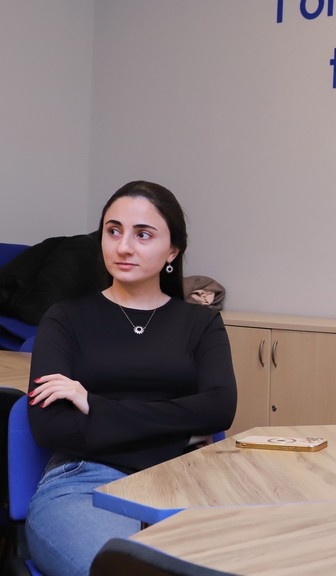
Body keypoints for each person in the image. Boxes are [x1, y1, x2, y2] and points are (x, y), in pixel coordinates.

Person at [26, 181, 237, 576]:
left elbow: (219, 407)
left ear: (172, 250)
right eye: (113, 231)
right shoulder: (65, 318)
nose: (123, 246)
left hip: (184, 485)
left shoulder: (201, 323)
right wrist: (178, 432)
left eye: (143, 234)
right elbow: (49, 425)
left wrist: (95, 407)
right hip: (84, 484)